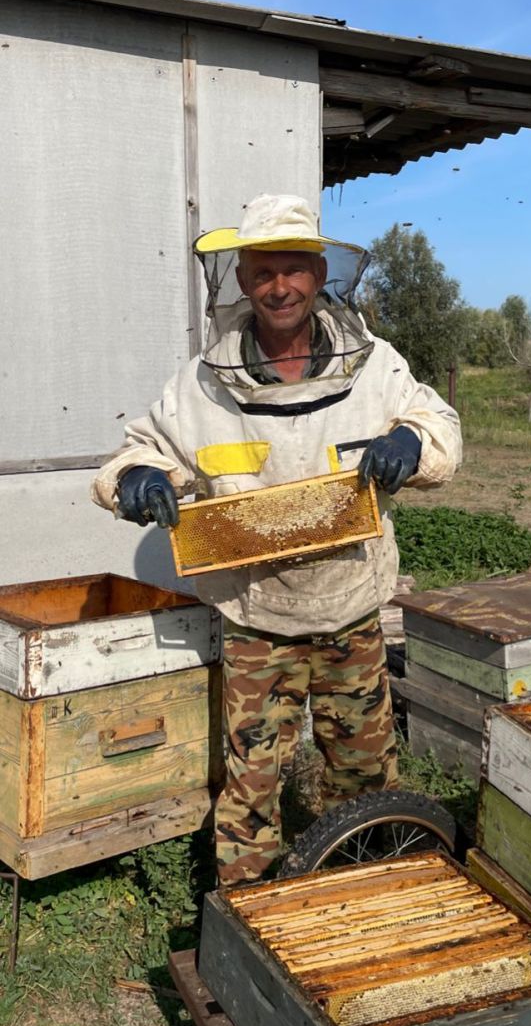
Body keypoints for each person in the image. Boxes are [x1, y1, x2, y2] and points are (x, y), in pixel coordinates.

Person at [91, 194, 461, 883]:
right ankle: (252, 918)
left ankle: (378, 885)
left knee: (366, 768)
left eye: (294, 269)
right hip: (256, 618)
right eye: (265, 272)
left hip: (350, 604)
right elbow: (133, 453)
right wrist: (137, 478)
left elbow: (440, 424)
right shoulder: (200, 387)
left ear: (320, 276)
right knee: (252, 781)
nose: (280, 287)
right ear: (241, 281)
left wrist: (413, 441)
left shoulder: (375, 368)